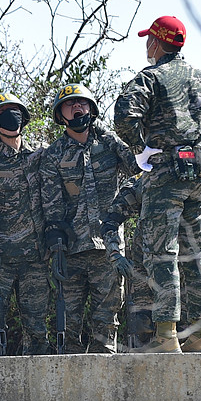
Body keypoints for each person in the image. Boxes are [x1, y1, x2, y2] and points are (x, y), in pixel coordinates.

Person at [114, 15, 201, 353]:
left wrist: (141, 148)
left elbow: (124, 115)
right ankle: (200, 337)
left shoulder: (151, 78)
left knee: (162, 253)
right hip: (199, 177)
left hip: (165, 178)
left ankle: (166, 336)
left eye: (148, 40)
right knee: (196, 255)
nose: (146, 45)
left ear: (156, 43)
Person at [40, 83, 139, 353]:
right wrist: (56, 247)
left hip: (108, 247)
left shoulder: (109, 143)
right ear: (61, 115)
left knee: (107, 320)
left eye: (82, 103)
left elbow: (137, 169)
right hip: (71, 249)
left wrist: (110, 134)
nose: (77, 108)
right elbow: (52, 205)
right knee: (68, 322)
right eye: (70, 105)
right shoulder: (54, 154)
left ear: (92, 109)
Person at [0, 92, 49, 355]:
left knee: (37, 328)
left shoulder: (40, 155)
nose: (9, 116)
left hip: (36, 256)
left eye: (13, 110)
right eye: (1, 112)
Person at [100, 174, 155, 349]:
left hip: (181, 269)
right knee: (142, 327)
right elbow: (110, 222)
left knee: (185, 329)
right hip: (145, 267)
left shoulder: (191, 181)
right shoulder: (141, 184)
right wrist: (115, 253)